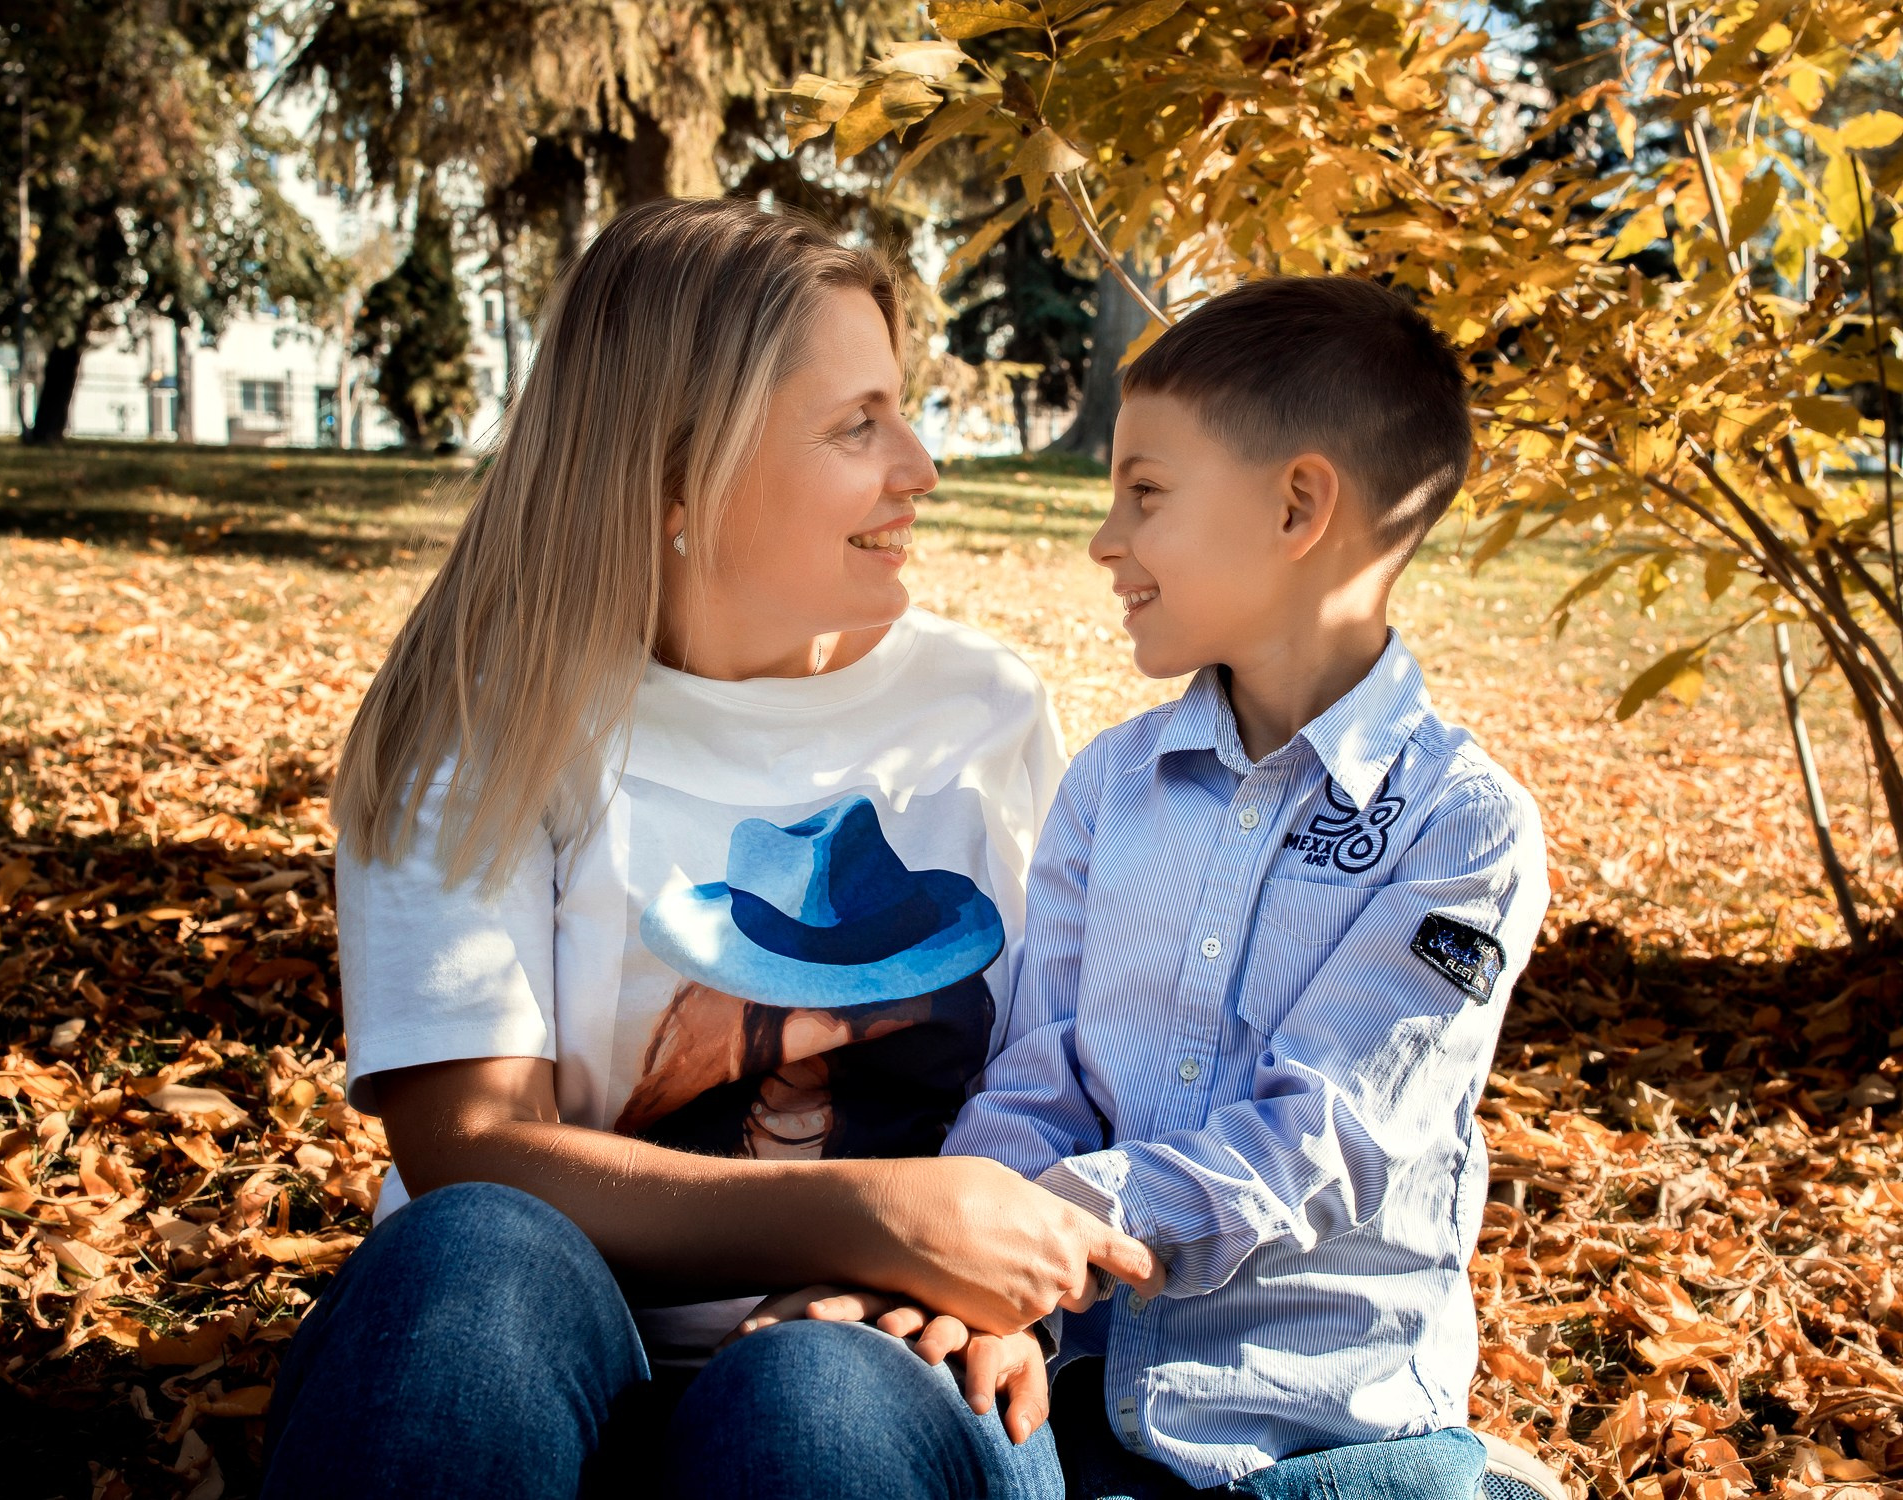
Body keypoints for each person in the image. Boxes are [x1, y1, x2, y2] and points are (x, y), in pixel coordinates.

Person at [258, 199, 1161, 1500]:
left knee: (810, 1401)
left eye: (903, 409)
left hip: (879, 1367)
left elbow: (1068, 1075)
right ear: (679, 476)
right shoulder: (486, 722)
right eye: (860, 424)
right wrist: (881, 1216)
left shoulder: (987, 710)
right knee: (472, 1256)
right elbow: (466, 1143)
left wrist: (987, 1283)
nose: (922, 464)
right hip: (542, 1363)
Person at [932, 277, 1553, 1498]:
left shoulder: (1461, 829)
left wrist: (1033, 1227)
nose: (1104, 538)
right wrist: (977, 1274)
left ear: (1297, 505)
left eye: (1145, 494)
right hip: (1082, 1405)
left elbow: (1320, 1141)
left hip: (1337, 1434)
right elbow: (1033, 1074)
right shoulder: (1111, 787)